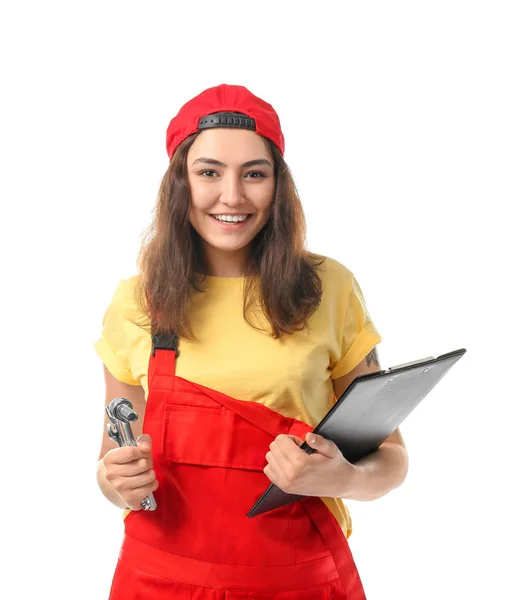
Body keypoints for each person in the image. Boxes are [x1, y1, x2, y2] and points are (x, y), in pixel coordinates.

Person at [94, 83, 409, 599]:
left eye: (254, 174)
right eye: (209, 172)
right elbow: (113, 463)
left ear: (278, 187)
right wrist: (117, 482)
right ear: (181, 183)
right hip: (158, 584)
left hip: (298, 584)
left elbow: (391, 459)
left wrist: (340, 478)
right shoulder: (138, 302)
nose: (232, 196)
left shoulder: (328, 289)